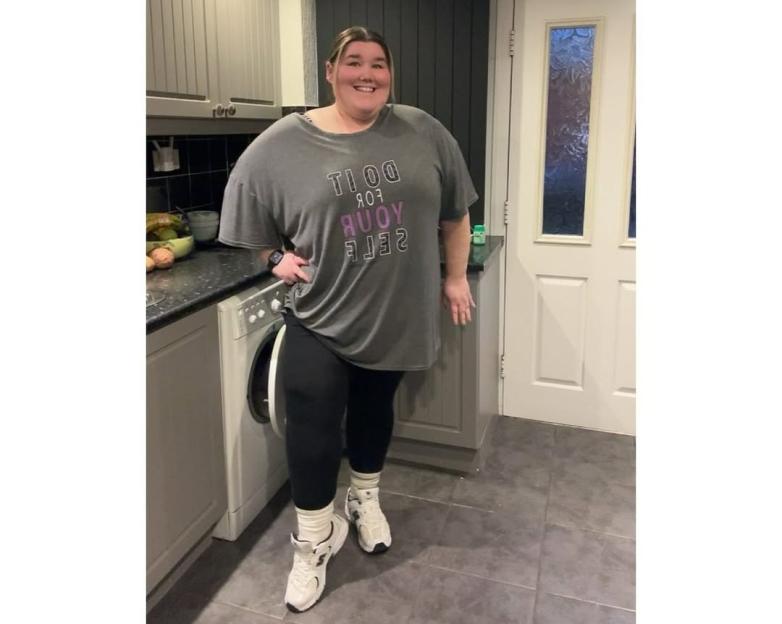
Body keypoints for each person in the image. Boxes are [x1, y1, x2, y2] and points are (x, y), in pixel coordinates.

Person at [217, 25, 477, 613]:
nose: (367, 74)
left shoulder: (422, 131)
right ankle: (313, 540)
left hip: (396, 314)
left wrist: (455, 278)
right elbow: (244, 216)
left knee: (372, 412)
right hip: (320, 315)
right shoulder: (284, 142)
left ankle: (363, 499)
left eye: (378, 64)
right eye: (353, 62)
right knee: (310, 425)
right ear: (330, 72)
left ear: (390, 74)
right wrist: (273, 258)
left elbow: (456, 214)